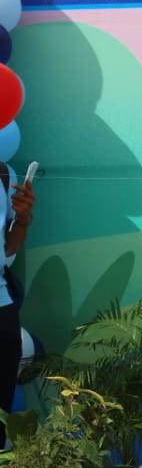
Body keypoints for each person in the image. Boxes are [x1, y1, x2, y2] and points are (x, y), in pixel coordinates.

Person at [0, 163, 34, 447]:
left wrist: (22, 218)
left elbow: (8, 248)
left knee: (1, 413)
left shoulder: (3, 172)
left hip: (2, 310)